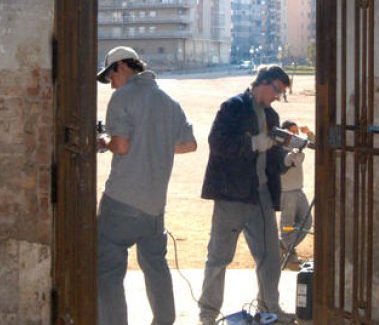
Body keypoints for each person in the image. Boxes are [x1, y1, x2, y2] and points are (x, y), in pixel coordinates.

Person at [95, 46, 198, 325]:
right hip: (155, 207)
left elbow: (122, 145)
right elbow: (189, 144)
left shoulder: (122, 97)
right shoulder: (169, 101)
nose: (111, 84)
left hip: (122, 201)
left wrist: (103, 143)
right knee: (155, 267)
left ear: (122, 67)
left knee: (107, 272)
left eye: (110, 77)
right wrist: (155, 144)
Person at [197, 64, 295, 325]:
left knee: (270, 256)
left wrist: (286, 160)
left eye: (281, 93)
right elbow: (217, 143)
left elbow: (272, 156)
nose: (277, 97)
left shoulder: (272, 117)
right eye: (277, 90)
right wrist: (252, 143)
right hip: (231, 196)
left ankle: (269, 308)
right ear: (263, 82)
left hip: (260, 194)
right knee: (219, 257)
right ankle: (207, 315)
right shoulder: (233, 107)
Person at [278, 120, 313, 266]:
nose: (295, 136)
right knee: (287, 226)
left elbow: (316, 144)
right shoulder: (281, 150)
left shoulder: (295, 148)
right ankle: (288, 251)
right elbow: (293, 159)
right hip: (287, 193)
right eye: (292, 134)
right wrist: (301, 146)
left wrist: (309, 134)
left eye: (296, 133)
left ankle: (284, 246)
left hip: (298, 190)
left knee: (307, 222)